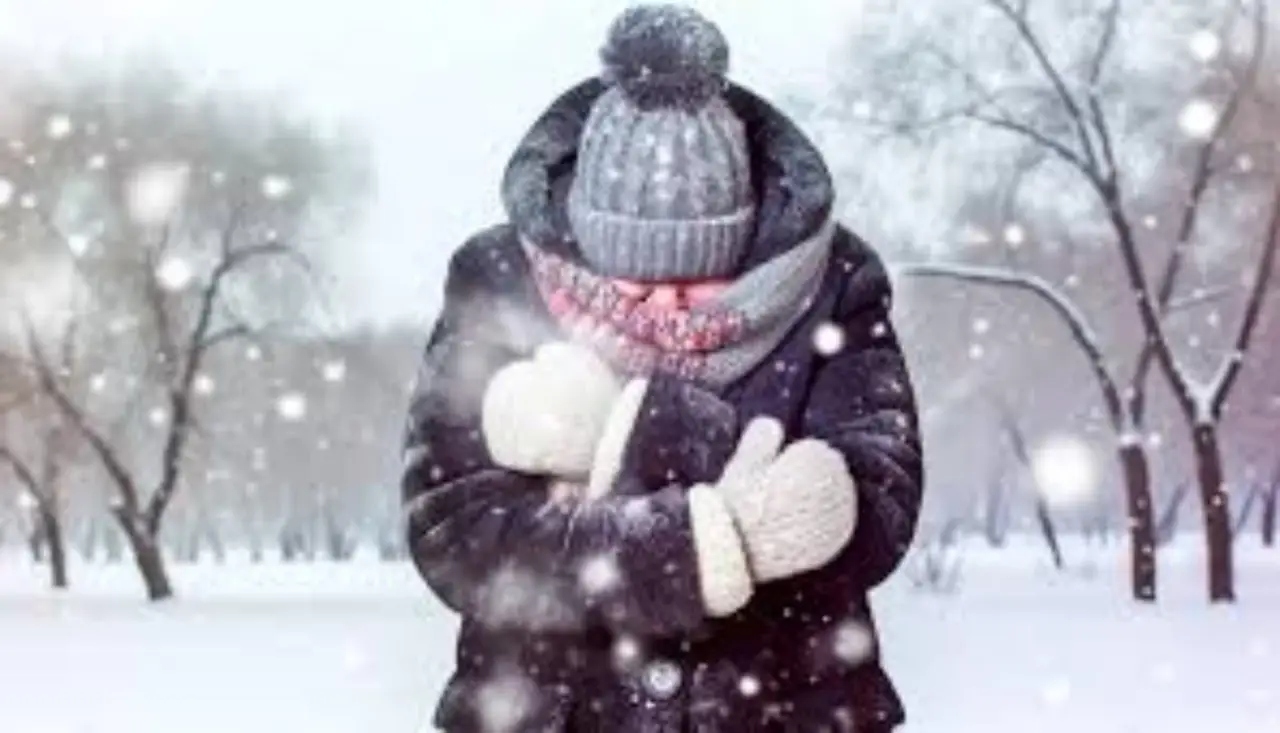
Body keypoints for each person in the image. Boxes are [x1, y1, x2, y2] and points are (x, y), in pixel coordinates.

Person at [400, 5, 924, 731]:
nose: (667, 306)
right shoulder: (497, 286)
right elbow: (456, 527)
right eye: (638, 282)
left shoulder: (834, 284)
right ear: (584, 240)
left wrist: (595, 493)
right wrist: (716, 538)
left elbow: (880, 501)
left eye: (699, 278)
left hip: (783, 708)